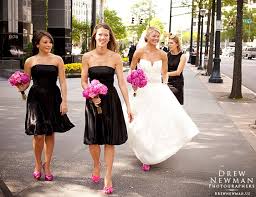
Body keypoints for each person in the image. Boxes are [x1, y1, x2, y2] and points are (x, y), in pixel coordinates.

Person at [128, 26, 199, 171]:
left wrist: (164, 87)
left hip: (158, 90)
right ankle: (144, 154)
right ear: (147, 36)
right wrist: (135, 84)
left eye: (157, 36)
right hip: (142, 91)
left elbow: (164, 74)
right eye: (153, 36)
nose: (155, 38)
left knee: (156, 123)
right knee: (142, 123)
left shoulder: (162, 54)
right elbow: (132, 70)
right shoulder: (139, 52)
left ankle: (151, 154)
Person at [81, 23, 133, 194]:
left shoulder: (115, 57)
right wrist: (91, 95)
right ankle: (96, 164)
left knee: (110, 140)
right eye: (100, 35)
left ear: (109, 38)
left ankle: (108, 176)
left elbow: (122, 83)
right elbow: (83, 81)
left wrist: (129, 106)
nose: (103, 38)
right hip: (92, 100)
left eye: (106, 35)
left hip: (111, 101)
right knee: (94, 139)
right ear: (94, 36)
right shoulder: (87, 57)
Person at [17, 30, 74, 181]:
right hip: (35, 98)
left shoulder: (57, 60)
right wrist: (21, 89)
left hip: (53, 97)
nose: (49, 44)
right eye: (45, 42)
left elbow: (62, 81)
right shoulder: (30, 61)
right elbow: (26, 82)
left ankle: (47, 165)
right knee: (38, 133)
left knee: (50, 132)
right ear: (37, 44)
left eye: (50, 42)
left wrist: (65, 101)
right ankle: (37, 164)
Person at [167, 34, 187, 105]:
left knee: (176, 104)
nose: (169, 45)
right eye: (168, 43)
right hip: (167, 82)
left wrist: (165, 74)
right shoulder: (167, 55)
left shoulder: (182, 56)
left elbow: (178, 72)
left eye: (171, 43)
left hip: (177, 83)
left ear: (177, 44)